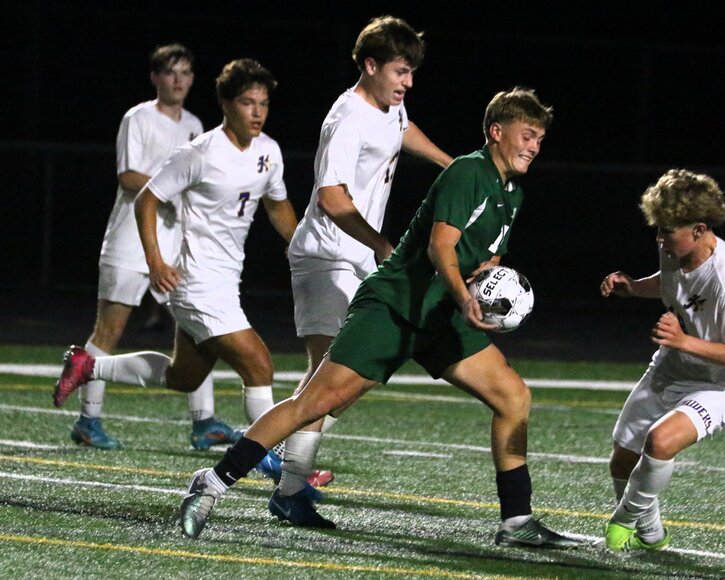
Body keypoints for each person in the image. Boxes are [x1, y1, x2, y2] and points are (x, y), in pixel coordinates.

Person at [178, 87, 575, 550]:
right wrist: (464, 297)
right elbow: (439, 246)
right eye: (527, 135)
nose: (534, 146)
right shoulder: (469, 172)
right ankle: (211, 482)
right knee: (313, 404)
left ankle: (516, 520)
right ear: (496, 131)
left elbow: (483, 257)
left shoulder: (512, 193)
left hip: (438, 315)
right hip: (395, 307)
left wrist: (485, 282)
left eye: (540, 140)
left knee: (513, 397)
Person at [53, 59, 299, 473]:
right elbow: (147, 198)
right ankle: (279, 466)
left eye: (263, 103)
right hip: (196, 282)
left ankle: (89, 364)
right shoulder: (199, 152)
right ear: (225, 103)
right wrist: (155, 260)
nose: (257, 112)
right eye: (246, 102)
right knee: (258, 364)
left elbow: (277, 206)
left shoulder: (269, 152)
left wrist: (303, 247)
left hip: (225, 280)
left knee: (183, 376)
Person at [268, 15, 453, 490]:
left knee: (358, 370)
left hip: (356, 259)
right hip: (326, 257)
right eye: (399, 71)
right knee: (334, 373)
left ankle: (280, 452)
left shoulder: (389, 107)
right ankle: (288, 478)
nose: (408, 82)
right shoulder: (347, 118)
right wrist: (380, 242)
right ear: (370, 66)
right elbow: (331, 197)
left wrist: (451, 166)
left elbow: (401, 130)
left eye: (411, 72)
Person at [65, 43, 238, 451]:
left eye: (185, 73)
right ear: (156, 77)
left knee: (200, 326)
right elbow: (128, 177)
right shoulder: (138, 118)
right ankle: (88, 422)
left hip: (176, 247)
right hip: (129, 242)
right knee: (110, 331)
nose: (178, 80)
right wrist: (171, 193)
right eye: (170, 72)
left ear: (193, 79)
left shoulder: (196, 124)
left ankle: (205, 422)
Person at [599, 169, 725, 552]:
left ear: (700, 229)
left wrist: (683, 340)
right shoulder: (674, 247)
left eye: (667, 230)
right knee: (622, 459)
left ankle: (622, 521)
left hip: (720, 382)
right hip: (674, 366)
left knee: (660, 441)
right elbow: (672, 284)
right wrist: (633, 288)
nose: (659, 238)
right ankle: (652, 535)